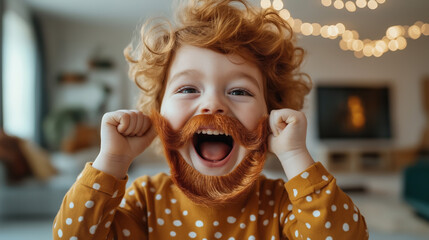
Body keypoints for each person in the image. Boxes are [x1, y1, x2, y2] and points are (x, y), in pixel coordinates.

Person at [53, 0, 368, 239]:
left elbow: (342, 234)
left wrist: (295, 155)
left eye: (240, 91)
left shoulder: (281, 205)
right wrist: (112, 159)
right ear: (158, 113)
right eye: (189, 88)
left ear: (270, 117)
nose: (213, 104)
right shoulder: (146, 199)